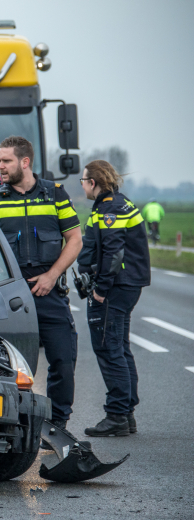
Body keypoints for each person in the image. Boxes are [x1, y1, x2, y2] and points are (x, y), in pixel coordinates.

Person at [0, 136, 82, 430]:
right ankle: (11, 424)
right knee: (5, 366)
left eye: (5, 161)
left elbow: (75, 239)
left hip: (49, 292)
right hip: (10, 297)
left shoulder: (55, 195)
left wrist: (52, 275)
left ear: (25, 162)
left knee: (64, 363)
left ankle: (57, 425)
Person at [77, 160, 151, 437]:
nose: (82, 185)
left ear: (92, 183)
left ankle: (117, 414)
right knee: (119, 346)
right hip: (126, 285)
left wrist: (100, 289)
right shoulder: (117, 203)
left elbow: (114, 251)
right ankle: (126, 413)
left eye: (83, 180)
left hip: (116, 287)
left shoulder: (110, 208)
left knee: (109, 348)